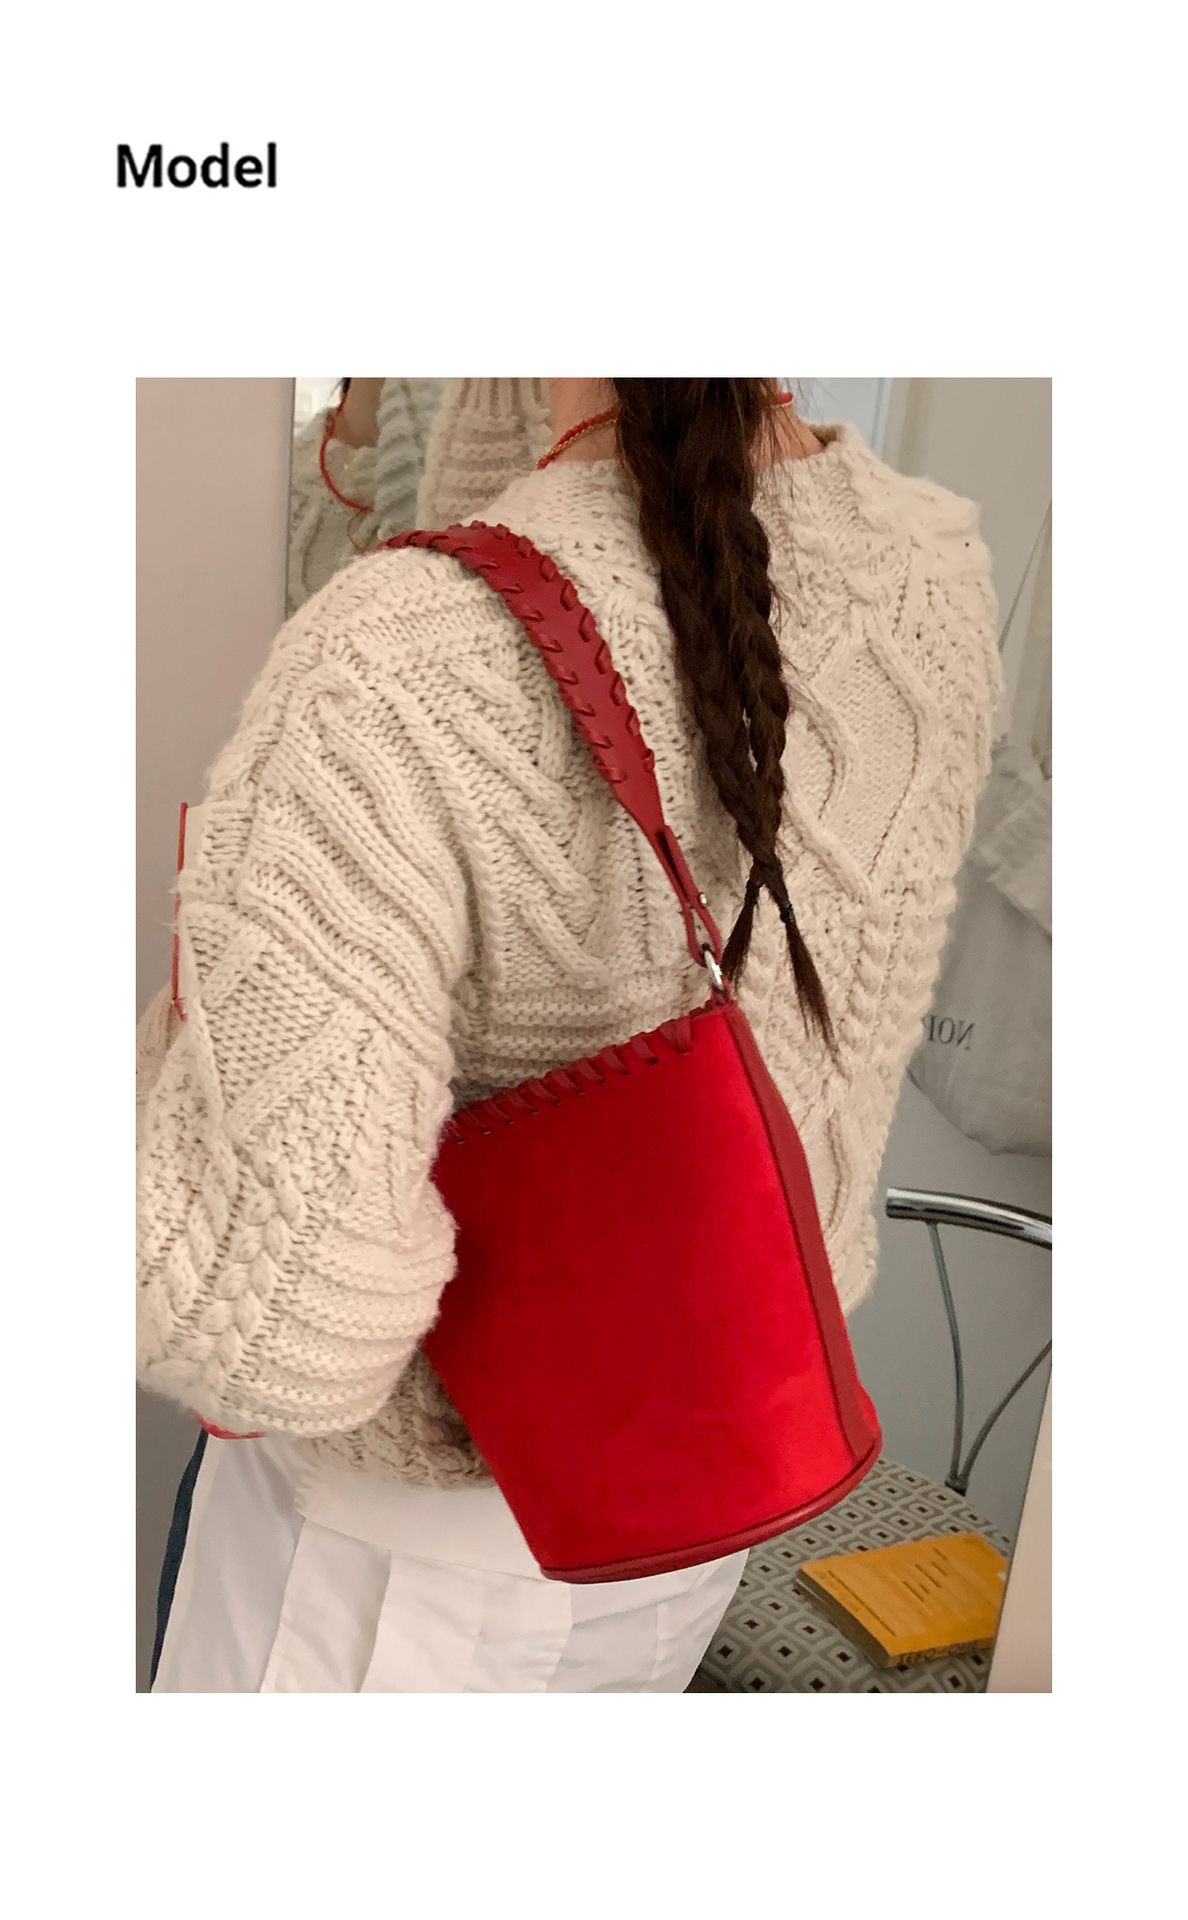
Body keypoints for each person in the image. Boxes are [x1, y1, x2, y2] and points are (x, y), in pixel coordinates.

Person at [137, 378, 1002, 1692]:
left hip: (393, 1579)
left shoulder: (392, 660)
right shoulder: (931, 569)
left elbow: (280, 1337)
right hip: (697, 1494)